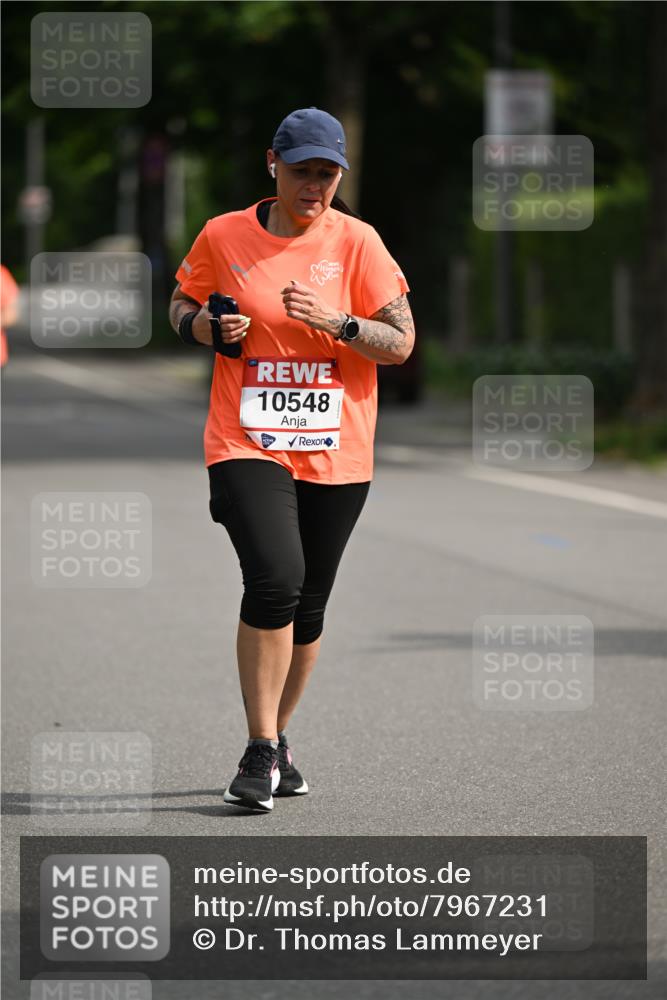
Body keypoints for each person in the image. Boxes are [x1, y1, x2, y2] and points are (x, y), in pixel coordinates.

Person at [169, 107, 415, 812]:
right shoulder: (223, 234)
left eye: (327, 174)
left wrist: (335, 322)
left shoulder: (358, 242)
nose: (314, 186)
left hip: (336, 449)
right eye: (303, 170)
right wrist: (205, 327)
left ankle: (277, 739)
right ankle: (257, 747)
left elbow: (398, 343)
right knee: (276, 578)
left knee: (308, 606)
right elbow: (180, 303)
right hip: (244, 440)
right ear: (271, 164)